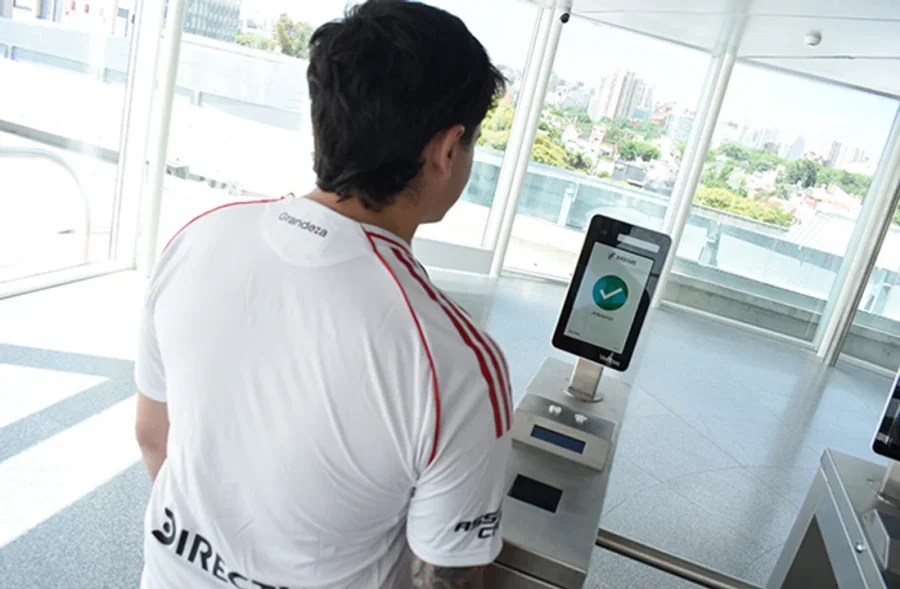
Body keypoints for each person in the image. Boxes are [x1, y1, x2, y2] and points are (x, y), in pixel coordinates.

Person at [133, 2, 511, 588]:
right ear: (447, 149)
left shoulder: (199, 238)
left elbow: (152, 434)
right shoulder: (454, 362)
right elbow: (448, 573)